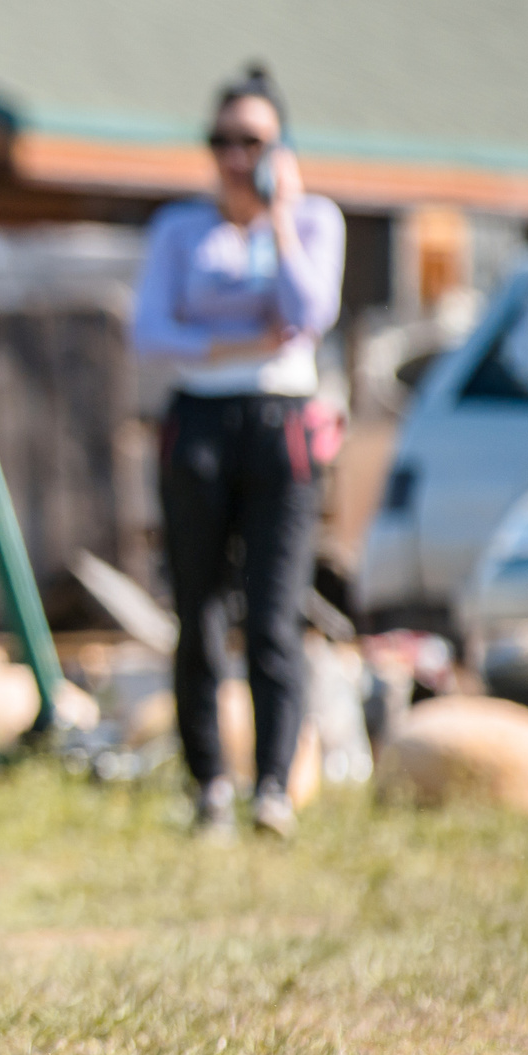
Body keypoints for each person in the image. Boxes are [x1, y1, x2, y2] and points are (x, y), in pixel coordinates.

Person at [132, 64, 345, 838]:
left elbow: (309, 310)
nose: (232, 155)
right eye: (220, 140)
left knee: (274, 612)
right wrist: (234, 340)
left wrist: (281, 217)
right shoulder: (180, 231)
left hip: (282, 418)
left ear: (278, 146)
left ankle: (274, 789)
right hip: (198, 421)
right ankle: (210, 786)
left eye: (248, 140)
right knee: (197, 609)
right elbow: (151, 332)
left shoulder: (316, 220)